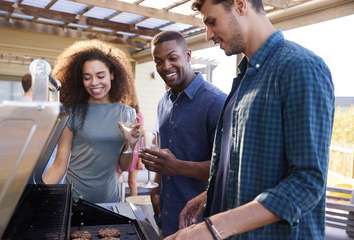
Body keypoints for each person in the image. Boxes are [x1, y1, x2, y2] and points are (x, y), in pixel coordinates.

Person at [165, 0, 335, 239]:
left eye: (211, 22)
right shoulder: (245, 77)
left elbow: (308, 182)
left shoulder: (300, 66)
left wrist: (214, 227)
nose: (208, 35)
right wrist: (211, 194)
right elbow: (243, 165)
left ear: (240, 5)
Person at [139, 30, 227, 237]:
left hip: (200, 222)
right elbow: (164, 152)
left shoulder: (216, 102)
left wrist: (178, 167)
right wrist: (155, 191)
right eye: (158, 61)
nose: (165, 67)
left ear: (188, 56)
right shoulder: (163, 102)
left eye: (173, 58)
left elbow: (225, 169)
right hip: (166, 215)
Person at [43, 39, 140, 203]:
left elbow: (123, 166)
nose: (94, 83)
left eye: (100, 76)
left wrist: (130, 144)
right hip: (75, 200)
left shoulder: (127, 114)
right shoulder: (71, 112)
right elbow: (59, 165)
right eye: (87, 77)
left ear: (112, 74)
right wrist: (38, 195)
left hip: (111, 200)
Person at [117, 103, 145, 196]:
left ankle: (134, 205)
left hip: (135, 150)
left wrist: (140, 159)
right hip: (123, 148)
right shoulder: (120, 113)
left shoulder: (138, 115)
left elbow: (140, 136)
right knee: (115, 180)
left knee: (132, 183)